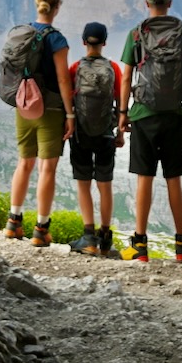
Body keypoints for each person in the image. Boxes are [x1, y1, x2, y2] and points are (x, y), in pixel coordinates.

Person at [118, 0, 182, 263]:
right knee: (173, 178)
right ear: (170, 3)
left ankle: (140, 246)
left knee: (145, 179)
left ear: (146, 3)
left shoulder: (136, 35)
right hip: (174, 115)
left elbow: (126, 77)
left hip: (143, 115)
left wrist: (123, 113)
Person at [3, 0, 76, 247]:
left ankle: (14, 222)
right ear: (58, 7)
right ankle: (41, 228)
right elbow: (63, 80)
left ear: (37, 4)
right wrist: (70, 114)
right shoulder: (56, 39)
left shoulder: (22, 33)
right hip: (51, 109)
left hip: (24, 106)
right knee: (47, 167)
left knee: (24, 163)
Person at [66, 22, 125, 257]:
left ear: (83, 42)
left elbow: (69, 100)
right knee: (105, 185)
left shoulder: (75, 68)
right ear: (104, 43)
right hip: (105, 133)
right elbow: (121, 102)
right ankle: (105, 237)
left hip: (80, 133)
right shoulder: (114, 69)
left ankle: (88, 236)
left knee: (83, 184)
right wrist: (120, 132)